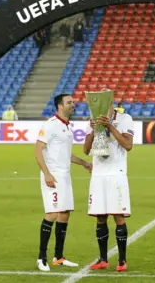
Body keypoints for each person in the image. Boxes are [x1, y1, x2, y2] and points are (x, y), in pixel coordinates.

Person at [35, 93, 92, 272]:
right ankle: (41, 257)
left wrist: (84, 163)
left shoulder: (67, 127)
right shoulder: (51, 125)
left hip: (65, 177)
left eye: (72, 102)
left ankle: (58, 257)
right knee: (52, 213)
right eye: (69, 102)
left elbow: (66, 154)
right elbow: (38, 151)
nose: (72, 105)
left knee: (65, 213)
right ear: (60, 106)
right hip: (53, 176)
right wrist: (47, 174)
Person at [84, 95, 134, 272]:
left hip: (116, 174)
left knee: (118, 216)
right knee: (100, 217)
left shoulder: (125, 119)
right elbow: (86, 149)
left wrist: (109, 126)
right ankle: (103, 259)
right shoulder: (93, 120)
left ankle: (122, 261)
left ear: (111, 101)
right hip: (98, 174)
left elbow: (128, 145)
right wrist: (93, 130)